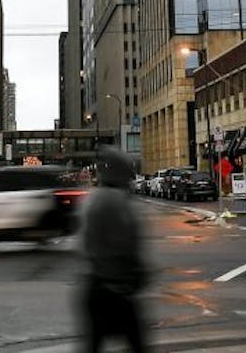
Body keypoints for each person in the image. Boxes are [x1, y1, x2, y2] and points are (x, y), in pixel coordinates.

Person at [79, 146, 149, 352]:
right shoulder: (116, 202)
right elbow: (126, 244)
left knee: (94, 343)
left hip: (95, 286)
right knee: (136, 343)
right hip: (115, 290)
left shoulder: (93, 199)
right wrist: (134, 273)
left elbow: (86, 245)